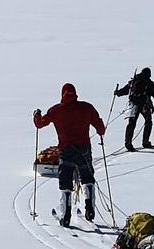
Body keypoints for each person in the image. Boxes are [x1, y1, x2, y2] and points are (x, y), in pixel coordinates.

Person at [33, 83, 106, 227]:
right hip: (84, 149)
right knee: (87, 178)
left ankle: (65, 216)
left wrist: (37, 116)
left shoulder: (56, 110)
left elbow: (40, 124)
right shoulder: (86, 107)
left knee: (65, 183)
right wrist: (100, 129)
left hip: (66, 150)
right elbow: (101, 129)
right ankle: (90, 211)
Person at [113, 67, 154, 151]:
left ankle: (128, 143)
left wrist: (117, 93)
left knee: (131, 123)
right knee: (148, 121)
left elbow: (125, 90)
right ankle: (145, 142)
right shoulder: (149, 83)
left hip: (133, 104)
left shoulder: (134, 80)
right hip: (144, 105)